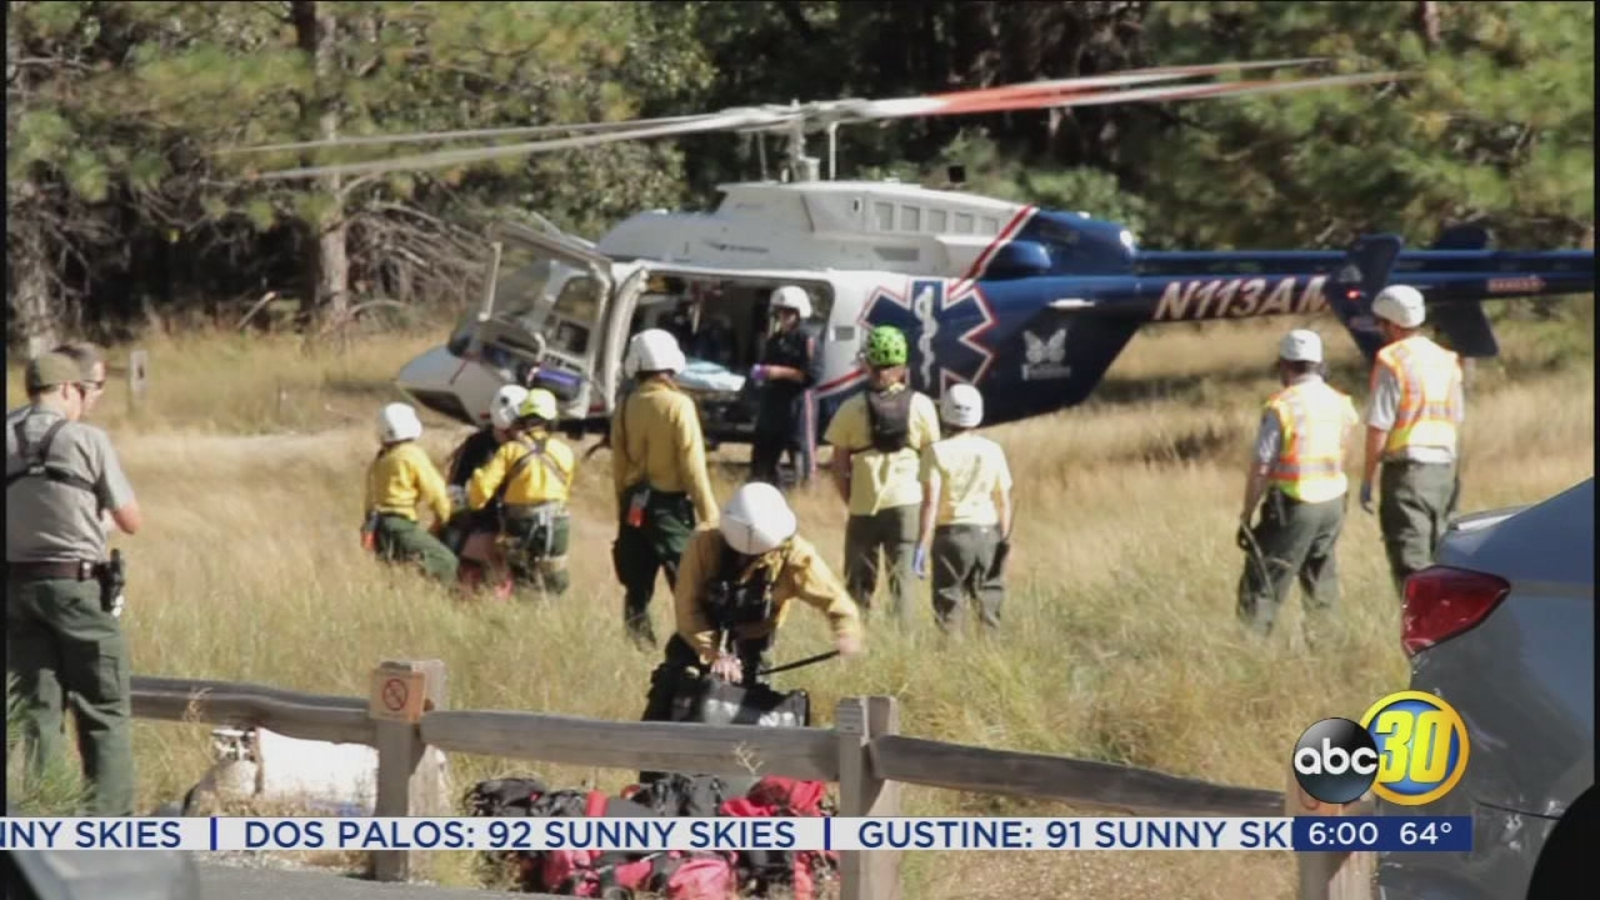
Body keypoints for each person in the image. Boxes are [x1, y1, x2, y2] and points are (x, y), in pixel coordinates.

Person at [6, 352, 143, 815]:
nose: (85, 401)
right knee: (103, 706)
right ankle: (108, 821)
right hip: (77, 587)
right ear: (67, 389)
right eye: (84, 392)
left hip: (18, 590)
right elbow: (131, 520)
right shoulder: (86, 439)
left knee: (37, 711)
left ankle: (46, 814)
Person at [640, 481, 863, 726]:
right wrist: (715, 655)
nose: (747, 557)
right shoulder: (704, 541)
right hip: (696, 639)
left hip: (753, 646)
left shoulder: (795, 555)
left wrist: (846, 633)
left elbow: (836, 601)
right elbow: (686, 605)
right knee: (667, 709)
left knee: (748, 722)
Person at [1237, 329, 1360, 638]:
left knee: (1263, 582)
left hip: (1296, 502)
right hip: (1333, 503)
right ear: (1318, 363)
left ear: (1284, 364)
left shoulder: (1282, 406)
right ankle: (1327, 650)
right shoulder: (1340, 402)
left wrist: (1247, 513)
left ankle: (1249, 654)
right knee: (1321, 581)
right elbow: (1347, 448)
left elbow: (1262, 465)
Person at [822, 325, 941, 622]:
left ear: (867, 364)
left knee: (858, 584)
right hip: (906, 505)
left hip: (864, 504)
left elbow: (838, 466)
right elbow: (932, 466)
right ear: (902, 367)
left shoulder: (851, 408)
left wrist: (851, 499)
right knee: (903, 586)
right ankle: (904, 648)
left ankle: (856, 641)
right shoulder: (922, 406)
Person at [610, 329, 721, 647]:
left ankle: (638, 646)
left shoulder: (626, 405)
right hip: (670, 509)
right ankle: (697, 648)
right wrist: (710, 518)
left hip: (634, 507)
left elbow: (619, 469)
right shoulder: (679, 406)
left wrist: (624, 510)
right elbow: (693, 469)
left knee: (637, 589)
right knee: (689, 586)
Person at [1359, 284, 1468, 594]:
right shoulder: (1447, 359)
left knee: (1412, 563)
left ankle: (1422, 636)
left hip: (1409, 472)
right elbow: (1456, 417)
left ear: (1392, 324)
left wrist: (1368, 479)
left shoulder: (1391, 359)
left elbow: (1379, 425)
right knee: (1446, 558)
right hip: (1446, 470)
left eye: (1380, 323)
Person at [914, 383, 1014, 632]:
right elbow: (1003, 501)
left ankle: (951, 662)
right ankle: (990, 658)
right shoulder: (993, 450)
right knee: (989, 606)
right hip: (988, 535)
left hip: (951, 536)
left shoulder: (935, 452)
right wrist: (1005, 540)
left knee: (948, 607)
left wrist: (921, 545)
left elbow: (930, 503)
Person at [465, 388, 577, 597]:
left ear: (523, 417)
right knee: (555, 580)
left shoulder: (511, 450)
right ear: (552, 420)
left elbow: (480, 493)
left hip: (521, 525)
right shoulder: (565, 452)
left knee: (522, 579)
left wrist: (476, 487)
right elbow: (565, 491)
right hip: (557, 524)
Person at [361, 402, 458, 583]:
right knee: (446, 562)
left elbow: (370, 498)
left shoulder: (380, 459)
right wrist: (446, 516)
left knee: (397, 575)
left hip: (377, 527)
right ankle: (451, 603)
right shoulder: (411, 454)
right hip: (400, 525)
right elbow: (435, 490)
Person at [440, 384, 529, 582]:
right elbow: (455, 488)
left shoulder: (528, 448)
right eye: (520, 424)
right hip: (478, 519)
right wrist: (465, 520)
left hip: (515, 522)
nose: (523, 429)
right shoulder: (476, 445)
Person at [748, 286, 825, 491]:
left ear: (800, 314)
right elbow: (765, 368)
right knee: (765, 450)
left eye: (789, 312)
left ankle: (807, 493)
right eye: (780, 312)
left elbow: (813, 375)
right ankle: (768, 489)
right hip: (773, 402)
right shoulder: (774, 340)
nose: (784, 316)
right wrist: (760, 375)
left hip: (799, 403)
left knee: (801, 450)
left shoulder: (807, 339)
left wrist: (779, 372)